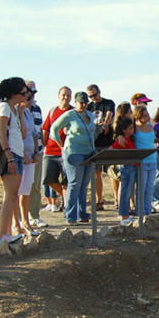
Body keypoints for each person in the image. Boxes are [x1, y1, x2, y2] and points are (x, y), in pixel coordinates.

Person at [51, 91, 96, 226]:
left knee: (84, 184)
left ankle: (82, 213)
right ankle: (71, 216)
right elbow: (54, 129)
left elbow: (93, 131)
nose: (83, 105)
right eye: (81, 102)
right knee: (74, 183)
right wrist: (62, 146)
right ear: (75, 103)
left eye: (85, 102)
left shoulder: (90, 115)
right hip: (74, 151)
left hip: (89, 152)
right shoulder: (70, 115)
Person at [0, 78, 28, 243]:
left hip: (18, 153)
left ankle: (7, 232)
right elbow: (1, 133)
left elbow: (22, 135)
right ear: (14, 93)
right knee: (9, 195)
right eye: (23, 93)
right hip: (11, 155)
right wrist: (9, 158)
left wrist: (21, 114)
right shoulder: (4, 107)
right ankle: (2, 235)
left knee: (13, 194)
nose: (25, 96)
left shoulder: (13, 110)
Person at [12, 86, 42, 237]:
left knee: (26, 190)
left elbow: (35, 134)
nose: (30, 101)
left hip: (31, 156)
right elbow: (17, 135)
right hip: (19, 156)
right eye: (28, 98)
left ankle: (26, 221)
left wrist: (36, 152)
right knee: (16, 192)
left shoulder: (29, 113)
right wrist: (22, 154)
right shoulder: (16, 113)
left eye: (31, 98)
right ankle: (15, 224)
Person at [41, 87, 73, 211]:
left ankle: (67, 205)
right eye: (64, 95)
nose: (66, 98)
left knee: (66, 181)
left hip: (66, 151)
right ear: (58, 96)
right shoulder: (52, 111)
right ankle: (65, 198)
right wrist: (43, 144)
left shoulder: (73, 113)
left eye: (69, 95)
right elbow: (45, 129)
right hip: (50, 151)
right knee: (47, 178)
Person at [86, 84, 115, 210]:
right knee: (96, 174)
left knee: (113, 172)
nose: (93, 98)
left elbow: (109, 114)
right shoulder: (88, 107)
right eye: (90, 96)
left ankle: (117, 199)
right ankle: (99, 200)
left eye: (94, 95)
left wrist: (106, 125)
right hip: (95, 144)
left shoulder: (108, 103)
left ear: (99, 92)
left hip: (107, 143)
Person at [25, 82, 48, 228]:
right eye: (29, 91)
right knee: (22, 186)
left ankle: (34, 215)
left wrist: (40, 147)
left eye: (34, 91)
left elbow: (39, 130)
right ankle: (21, 217)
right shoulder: (16, 109)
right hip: (23, 153)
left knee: (35, 185)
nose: (32, 95)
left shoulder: (37, 108)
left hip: (38, 151)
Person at [132, 105, 158, 216]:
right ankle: (140, 210)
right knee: (141, 187)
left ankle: (148, 210)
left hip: (152, 159)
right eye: (144, 116)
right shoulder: (135, 128)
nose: (147, 117)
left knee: (150, 187)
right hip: (141, 160)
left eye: (147, 115)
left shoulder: (151, 128)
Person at [112, 117, 137, 226]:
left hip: (133, 167)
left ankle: (125, 214)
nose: (132, 130)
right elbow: (111, 149)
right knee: (125, 192)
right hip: (127, 167)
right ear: (124, 130)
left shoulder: (130, 139)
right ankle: (123, 215)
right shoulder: (121, 141)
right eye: (130, 128)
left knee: (129, 191)